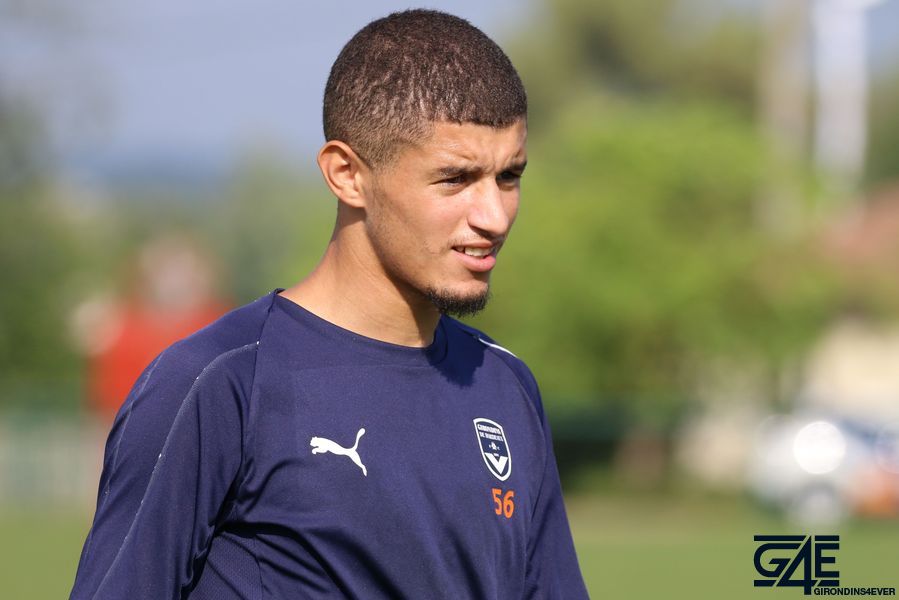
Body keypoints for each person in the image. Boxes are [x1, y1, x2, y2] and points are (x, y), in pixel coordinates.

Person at [71, 9, 588, 599]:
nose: (493, 216)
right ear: (346, 174)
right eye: (454, 179)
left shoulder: (506, 384)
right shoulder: (220, 383)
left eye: (509, 177)